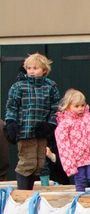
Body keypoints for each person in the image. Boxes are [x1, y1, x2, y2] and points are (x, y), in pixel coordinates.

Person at [4, 53, 60, 190]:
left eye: (35, 68)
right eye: (29, 68)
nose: (32, 71)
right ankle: (23, 192)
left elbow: (55, 108)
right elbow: (11, 106)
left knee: (39, 164)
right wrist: (11, 122)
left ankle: (29, 190)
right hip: (25, 130)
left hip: (41, 131)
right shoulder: (19, 86)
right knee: (27, 162)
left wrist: (50, 124)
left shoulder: (50, 86)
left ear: (44, 70)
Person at [54, 89, 90, 192]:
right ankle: (80, 199)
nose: (80, 109)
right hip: (77, 158)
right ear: (68, 107)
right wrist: (70, 166)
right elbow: (63, 146)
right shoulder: (65, 124)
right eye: (76, 106)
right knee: (80, 179)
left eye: (82, 105)